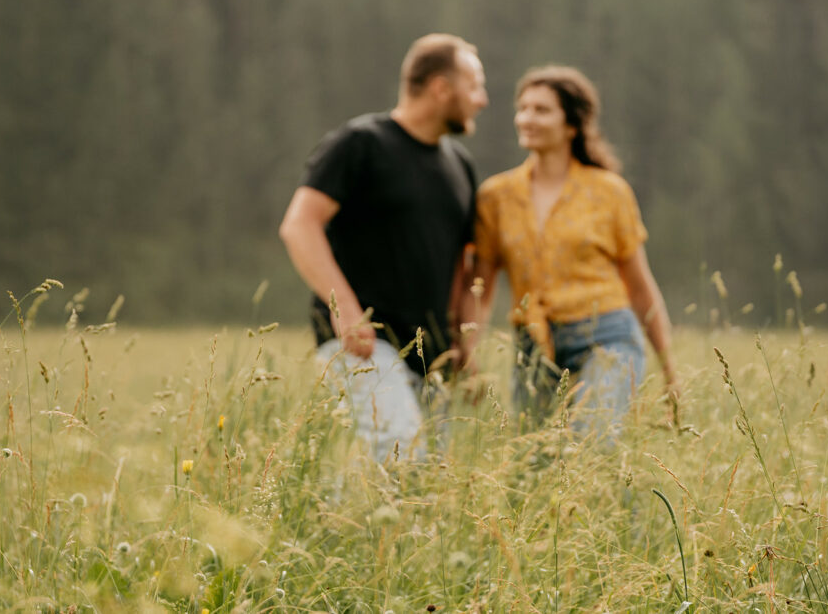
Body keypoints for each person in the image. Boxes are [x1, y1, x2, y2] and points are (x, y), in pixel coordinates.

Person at [279, 34, 488, 461]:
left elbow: (464, 268)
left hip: (432, 356)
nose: (481, 99)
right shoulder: (361, 144)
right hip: (365, 343)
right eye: (474, 85)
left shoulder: (460, 165)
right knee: (405, 457)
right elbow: (299, 226)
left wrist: (463, 348)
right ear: (440, 88)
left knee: (428, 483)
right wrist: (346, 314)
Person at [469, 65, 674, 436]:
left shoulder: (609, 191)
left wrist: (669, 369)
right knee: (537, 465)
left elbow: (640, 285)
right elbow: (481, 289)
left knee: (590, 441)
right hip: (532, 345)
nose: (527, 118)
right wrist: (468, 353)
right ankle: (611, 496)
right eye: (523, 108)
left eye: (542, 110)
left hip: (607, 335)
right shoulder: (496, 196)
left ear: (571, 125)